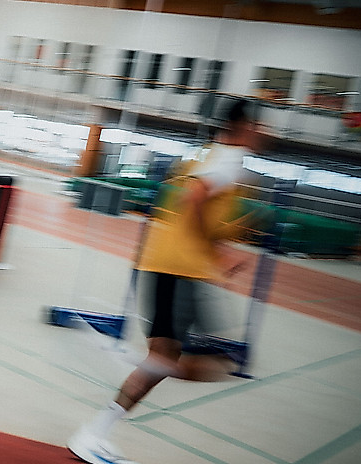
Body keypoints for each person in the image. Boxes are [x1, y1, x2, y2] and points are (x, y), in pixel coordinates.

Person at [67, 98, 265, 464]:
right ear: (244, 126)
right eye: (258, 124)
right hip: (181, 268)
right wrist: (217, 252)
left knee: (167, 360)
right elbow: (195, 199)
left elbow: (195, 204)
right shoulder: (228, 159)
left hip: (168, 263)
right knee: (212, 364)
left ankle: (95, 433)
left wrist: (222, 243)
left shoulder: (210, 155)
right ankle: (118, 358)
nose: (263, 132)